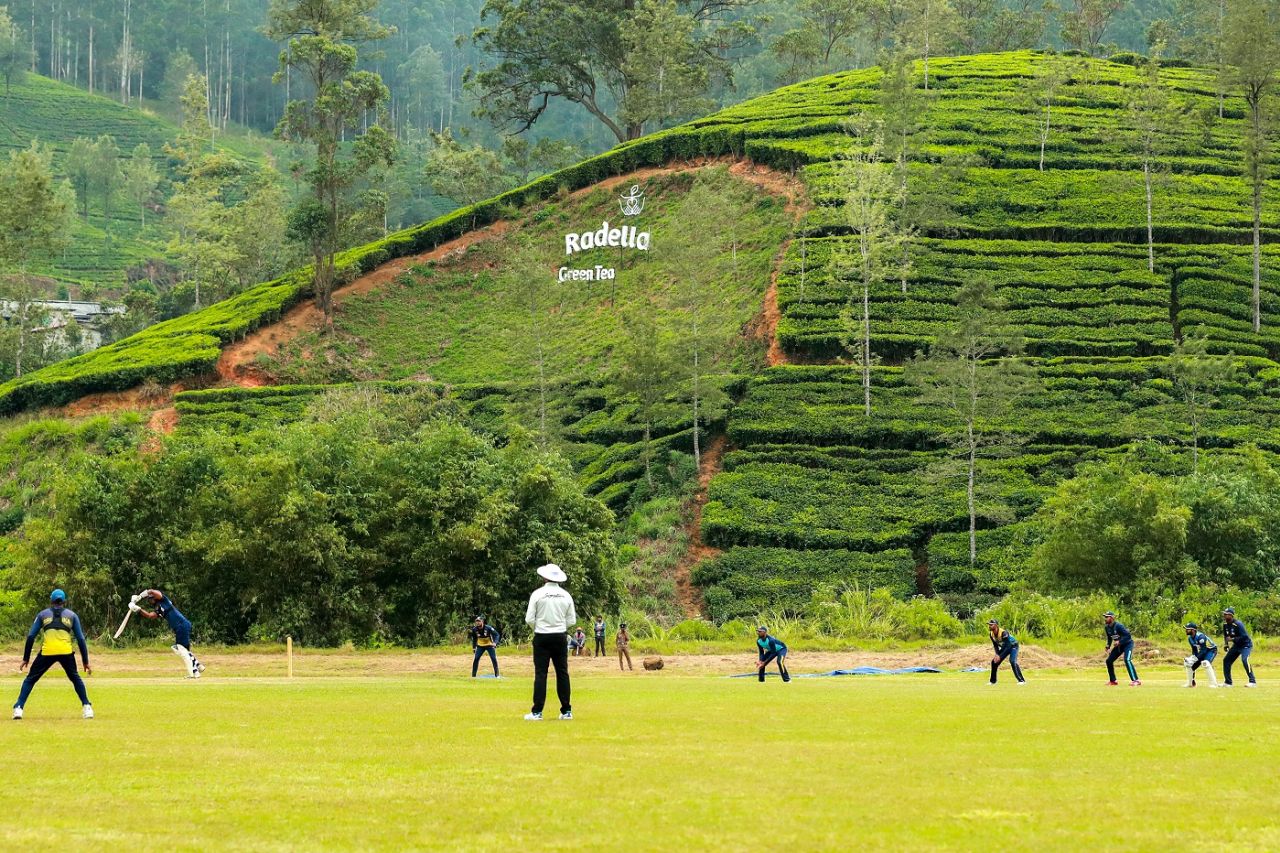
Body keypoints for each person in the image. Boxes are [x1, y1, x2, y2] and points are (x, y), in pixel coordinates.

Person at [12, 589, 93, 720]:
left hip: (47, 652)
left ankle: (18, 708)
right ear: (64, 601)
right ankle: (87, 707)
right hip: (66, 653)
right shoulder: (72, 615)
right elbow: (81, 639)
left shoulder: (43, 615)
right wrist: (85, 661)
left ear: (51, 600)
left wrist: (25, 658)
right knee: (75, 678)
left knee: (30, 679)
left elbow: (31, 636)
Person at [525, 563, 577, 721]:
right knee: (562, 673)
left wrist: (539, 627)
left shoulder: (537, 594)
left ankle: (537, 712)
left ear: (544, 577)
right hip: (560, 636)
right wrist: (559, 626)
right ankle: (566, 710)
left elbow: (529, 619)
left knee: (541, 674)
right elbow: (571, 620)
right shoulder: (566, 595)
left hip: (541, 636)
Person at [136, 589, 205, 678]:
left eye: (151, 598)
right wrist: (138, 609)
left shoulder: (163, 600)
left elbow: (152, 591)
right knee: (179, 649)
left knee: (182, 649)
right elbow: (150, 616)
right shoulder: (158, 608)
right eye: (149, 599)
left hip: (181, 624)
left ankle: (193, 673)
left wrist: (140, 596)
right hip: (179, 627)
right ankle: (197, 667)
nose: (150, 600)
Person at [1221, 607, 1257, 688]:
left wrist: (1233, 639)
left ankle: (1252, 681)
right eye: (1224, 614)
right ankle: (1228, 683)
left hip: (1246, 645)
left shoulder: (1238, 624)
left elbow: (1245, 636)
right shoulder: (1225, 624)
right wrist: (1226, 644)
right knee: (1226, 660)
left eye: (1226, 614)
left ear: (1231, 615)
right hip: (1237, 645)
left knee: (1245, 660)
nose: (1224, 616)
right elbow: (1226, 636)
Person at [1103, 611, 1140, 686]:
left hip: (1127, 644)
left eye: (1107, 617)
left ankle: (1136, 680)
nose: (1105, 619)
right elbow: (1109, 638)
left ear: (1112, 618)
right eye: (1105, 617)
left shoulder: (1119, 626)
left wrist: (1119, 641)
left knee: (1127, 659)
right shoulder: (1107, 628)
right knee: (1109, 661)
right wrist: (1108, 646)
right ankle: (1113, 681)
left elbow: (1128, 636)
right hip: (1119, 646)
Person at [988, 619, 1026, 685]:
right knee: (994, 662)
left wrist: (1000, 655)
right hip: (1005, 647)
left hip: (1013, 646)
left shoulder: (1003, 633)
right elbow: (995, 645)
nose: (989, 626)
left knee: (1012, 661)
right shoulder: (991, 634)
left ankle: (1021, 680)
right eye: (989, 625)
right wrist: (997, 654)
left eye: (991, 625)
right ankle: (993, 681)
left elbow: (1008, 646)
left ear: (996, 625)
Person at [1183, 622, 1218, 688]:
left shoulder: (1201, 637)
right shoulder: (1190, 638)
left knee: (1205, 663)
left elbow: (1204, 650)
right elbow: (1195, 650)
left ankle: (1214, 684)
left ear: (1193, 630)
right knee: (1188, 664)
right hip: (1202, 651)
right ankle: (1190, 683)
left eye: (1188, 629)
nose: (1186, 630)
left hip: (1211, 650)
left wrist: (1196, 658)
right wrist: (1192, 659)